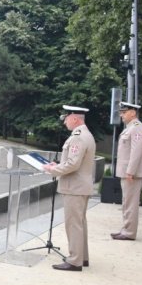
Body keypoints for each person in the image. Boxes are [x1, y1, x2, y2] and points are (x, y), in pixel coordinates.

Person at [43, 105, 95, 272]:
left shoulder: (78, 137)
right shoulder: (86, 134)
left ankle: (74, 261)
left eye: (66, 118)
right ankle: (82, 257)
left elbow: (73, 164)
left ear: (74, 118)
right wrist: (57, 165)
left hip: (74, 187)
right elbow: (74, 162)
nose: (64, 121)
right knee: (80, 223)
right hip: (80, 186)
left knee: (73, 224)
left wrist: (53, 170)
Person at [112, 102, 142, 241]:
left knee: (130, 203)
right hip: (128, 172)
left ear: (133, 113)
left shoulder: (137, 128)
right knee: (127, 202)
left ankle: (129, 232)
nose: (121, 115)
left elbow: (136, 152)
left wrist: (130, 172)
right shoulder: (131, 127)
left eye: (124, 112)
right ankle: (126, 229)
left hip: (132, 173)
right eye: (121, 112)